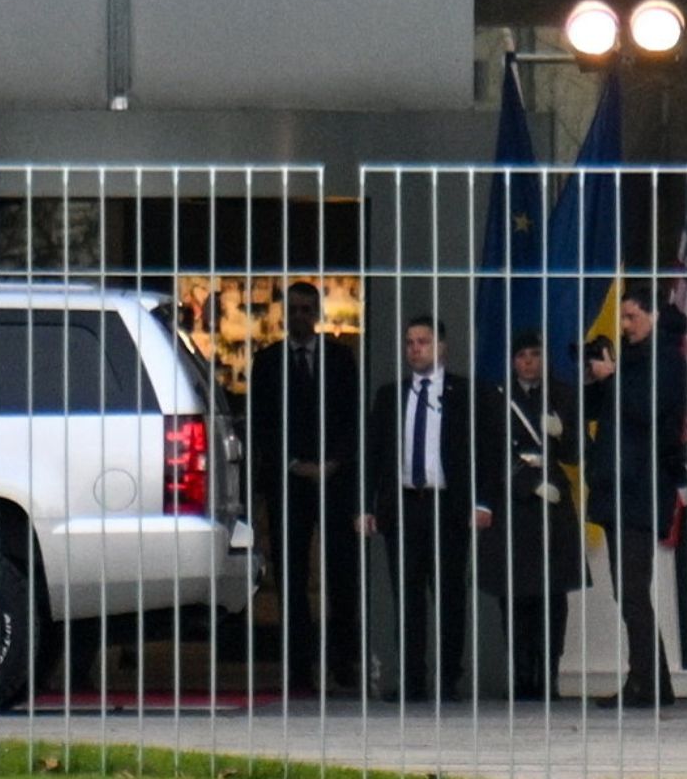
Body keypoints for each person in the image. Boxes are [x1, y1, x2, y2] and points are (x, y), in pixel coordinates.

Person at [358, 315, 503, 703]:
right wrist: (366, 505)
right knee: (406, 597)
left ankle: (448, 679)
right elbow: (374, 454)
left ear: (442, 347)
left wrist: (482, 502)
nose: (415, 349)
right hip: (404, 507)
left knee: (449, 595)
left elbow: (488, 454)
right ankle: (411, 679)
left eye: (423, 342)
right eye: (410, 342)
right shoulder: (391, 395)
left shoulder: (466, 394)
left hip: (448, 507)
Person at [248, 281, 362, 694]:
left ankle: (344, 663)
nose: (298, 316)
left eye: (305, 309)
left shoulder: (340, 359)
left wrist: (334, 463)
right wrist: (295, 465)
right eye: (292, 309)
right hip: (290, 483)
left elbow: (353, 418)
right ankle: (298, 669)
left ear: (317, 313)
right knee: (291, 578)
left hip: (335, 480)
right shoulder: (268, 362)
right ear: (284, 313)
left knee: (343, 575)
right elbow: (261, 425)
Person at [582, 284, 687, 708]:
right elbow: (597, 410)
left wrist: (615, 378)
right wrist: (596, 377)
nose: (624, 326)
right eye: (622, 318)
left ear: (654, 316)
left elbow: (647, 409)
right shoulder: (633, 360)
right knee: (626, 591)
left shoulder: (668, 360)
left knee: (632, 589)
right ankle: (651, 681)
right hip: (616, 486)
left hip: (643, 488)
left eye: (631, 317)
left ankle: (647, 684)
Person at [479, 329, 583, 701]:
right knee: (516, 596)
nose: (528, 361)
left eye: (534, 354)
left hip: (552, 509)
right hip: (515, 505)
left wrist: (563, 430)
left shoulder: (564, 395)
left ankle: (548, 674)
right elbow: (490, 452)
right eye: (521, 354)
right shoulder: (495, 398)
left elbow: (575, 454)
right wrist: (526, 484)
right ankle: (521, 675)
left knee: (553, 597)